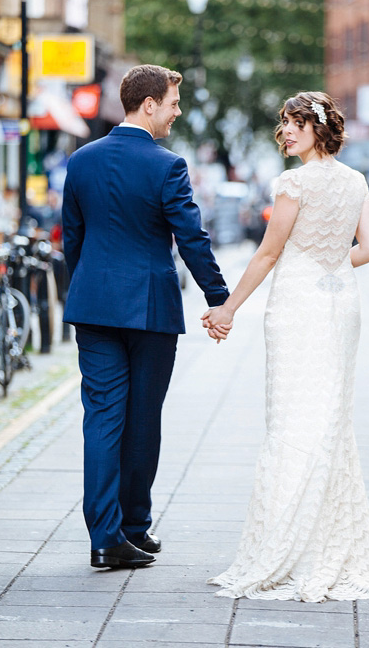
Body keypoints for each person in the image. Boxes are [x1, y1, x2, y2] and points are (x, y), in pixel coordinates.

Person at [204, 91, 369, 602]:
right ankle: (327, 539)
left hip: (298, 305)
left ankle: (288, 546)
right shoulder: (356, 181)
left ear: (320, 128)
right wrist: (332, 266)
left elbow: (269, 253)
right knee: (330, 419)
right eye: (284, 124)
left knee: (294, 418)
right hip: (341, 304)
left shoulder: (294, 183)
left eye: (297, 123)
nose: (287, 132)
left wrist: (228, 308)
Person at [61, 64, 230, 570]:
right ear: (149, 104)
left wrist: (88, 285)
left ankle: (113, 535)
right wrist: (218, 297)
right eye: (173, 104)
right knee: (141, 421)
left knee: (102, 420)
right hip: (150, 309)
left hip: (94, 307)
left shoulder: (81, 160)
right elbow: (191, 238)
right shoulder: (167, 165)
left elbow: (73, 238)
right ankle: (129, 526)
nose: (177, 113)